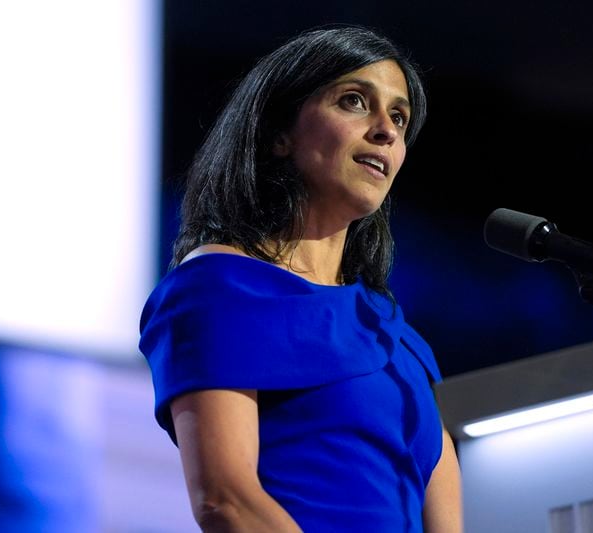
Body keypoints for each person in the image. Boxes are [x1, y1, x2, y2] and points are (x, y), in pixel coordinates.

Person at [138, 24, 462, 532]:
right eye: (355, 101)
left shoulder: (395, 335)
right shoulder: (220, 288)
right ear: (279, 135)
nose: (386, 130)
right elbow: (228, 502)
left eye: (399, 116)